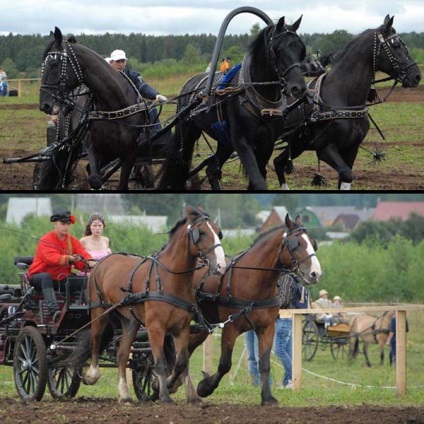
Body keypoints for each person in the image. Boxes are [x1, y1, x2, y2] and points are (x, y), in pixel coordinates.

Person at [28, 210, 96, 322]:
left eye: (68, 224)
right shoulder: (46, 239)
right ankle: (54, 311)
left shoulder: (72, 241)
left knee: (85, 280)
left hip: (61, 278)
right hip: (39, 277)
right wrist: (68, 258)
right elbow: (50, 258)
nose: (65, 227)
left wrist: (89, 262)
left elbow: (82, 254)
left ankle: (88, 308)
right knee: (46, 277)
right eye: (62, 224)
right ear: (55, 224)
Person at [110, 49, 167, 132]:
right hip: (111, 110)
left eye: (123, 61)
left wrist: (156, 95)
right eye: (118, 61)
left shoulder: (133, 75)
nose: (121, 64)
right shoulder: (105, 77)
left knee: (151, 108)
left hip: (131, 108)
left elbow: (143, 86)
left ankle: (157, 135)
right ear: (111, 62)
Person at [275, 276, 310, 390]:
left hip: (285, 318)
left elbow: (283, 300)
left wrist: (269, 307)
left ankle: (293, 378)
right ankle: (288, 382)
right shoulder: (289, 278)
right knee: (288, 352)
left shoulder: (285, 278)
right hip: (287, 318)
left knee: (279, 350)